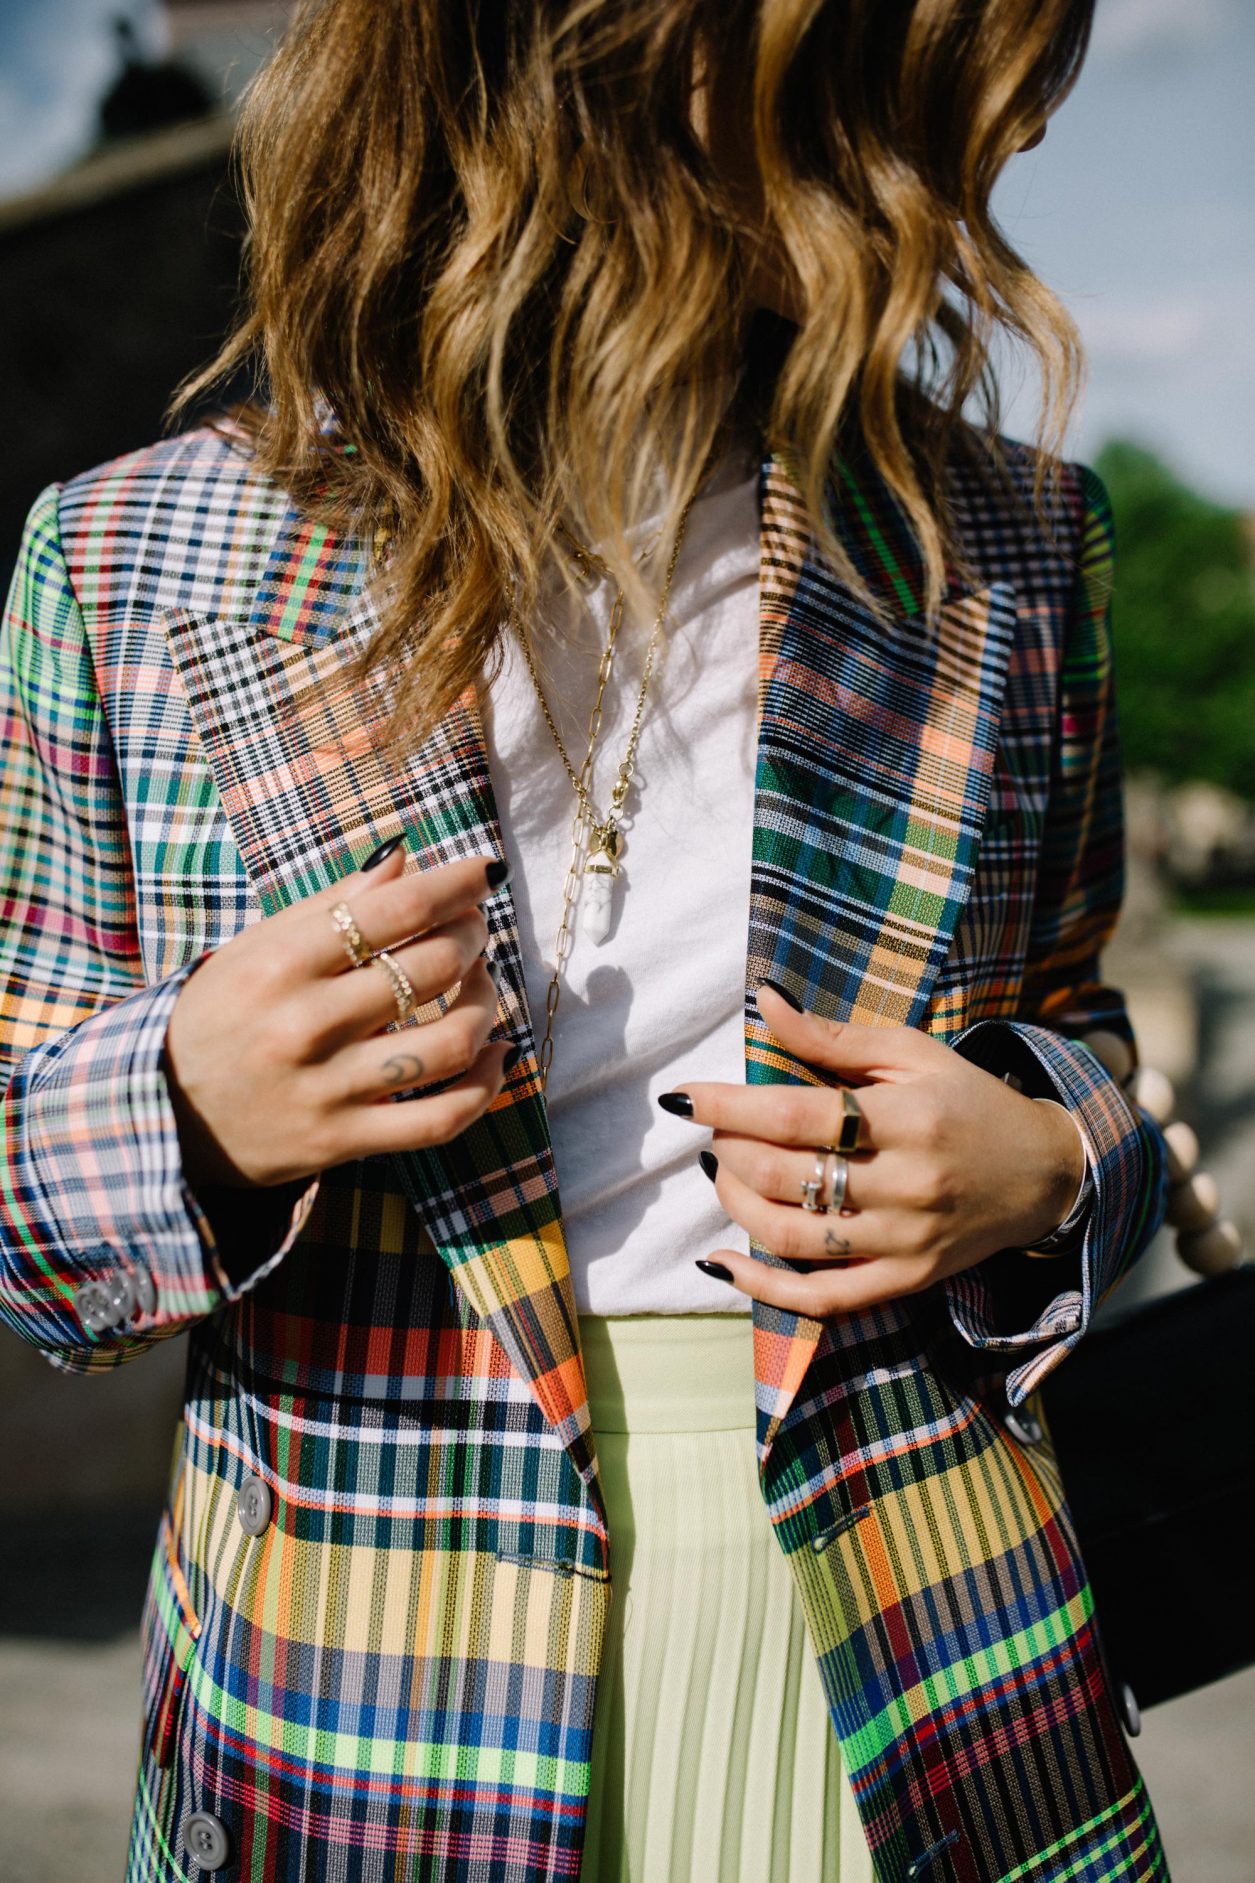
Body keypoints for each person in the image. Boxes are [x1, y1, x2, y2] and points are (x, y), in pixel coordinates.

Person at [0, 2, 1172, 1879]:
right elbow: (21, 1218)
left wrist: (1046, 1155)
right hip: (356, 1703)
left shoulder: (1018, 547)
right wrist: (187, 1101)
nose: (1013, 139)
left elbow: (1080, 1032)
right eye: (951, 59)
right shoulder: (140, 559)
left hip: (936, 1667)